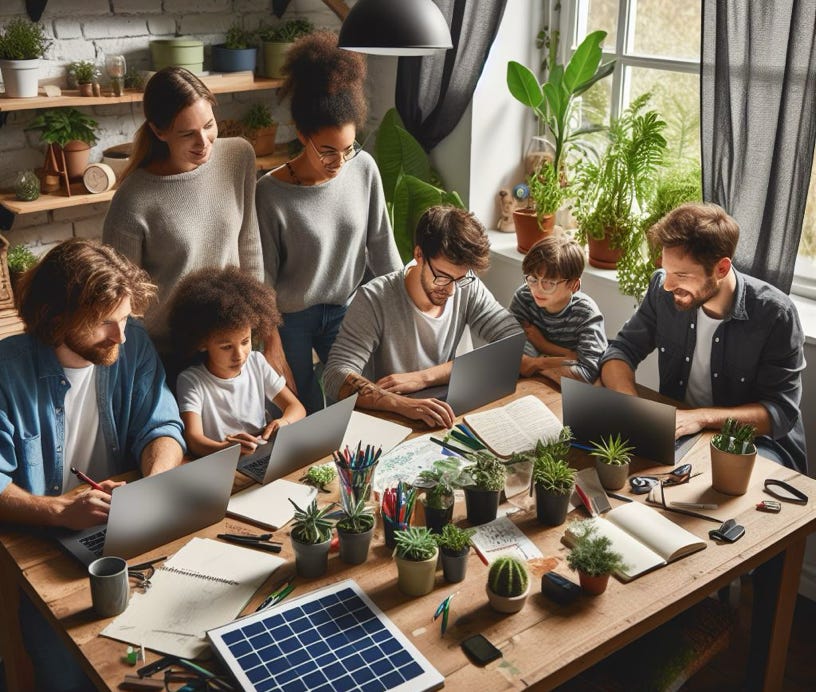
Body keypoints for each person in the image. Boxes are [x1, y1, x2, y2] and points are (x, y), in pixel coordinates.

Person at [0, 238, 185, 692]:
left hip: (126, 524)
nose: (121, 336)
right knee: (63, 674)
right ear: (57, 318)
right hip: (41, 546)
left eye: (124, 319)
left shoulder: (133, 344)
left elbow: (163, 425)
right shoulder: (6, 370)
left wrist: (153, 486)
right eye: (105, 323)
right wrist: (62, 511)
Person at [101, 67, 280, 385]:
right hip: (168, 356)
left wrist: (265, 335)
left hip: (230, 343)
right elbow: (122, 298)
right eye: (187, 134)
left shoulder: (238, 156)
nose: (203, 142)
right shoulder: (133, 199)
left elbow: (249, 247)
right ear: (159, 131)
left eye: (209, 125)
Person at [600, 202, 806, 473]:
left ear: (721, 269)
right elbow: (621, 351)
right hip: (682, 432)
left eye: (681, 275)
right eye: (667, 270)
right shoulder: (663, 291)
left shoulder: (776, 314)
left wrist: (700, 418)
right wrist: (631, 406)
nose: (668, 284)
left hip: (755, 444)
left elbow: (779, 412)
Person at [256, 31, 402, 414]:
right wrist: (270, 343)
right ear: (303, 136)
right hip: (291, 321)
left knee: (363, 405)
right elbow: (263, 281)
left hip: (346, 309)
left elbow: (385, 253)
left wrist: (406, 313)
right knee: (303, 415)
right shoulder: (270, 193)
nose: (340, 162)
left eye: (349, 148)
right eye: (327, 152)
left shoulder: (364, 169)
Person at [323, 205, 524, 428]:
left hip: (444, 412)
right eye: (442, 277)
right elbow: (335, 376)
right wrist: (403, 405)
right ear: (419, 255)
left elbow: (512, 342)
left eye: (460, 279)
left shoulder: (467, 286)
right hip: (389, 420)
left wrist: (423, 377)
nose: (451, 290)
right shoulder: (374, 299)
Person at [166, 266, 306, 458]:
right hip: (220, 461)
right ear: (202, 343)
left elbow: (297, 408)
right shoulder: (191, 380)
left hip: (261, 453)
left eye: (245, 342)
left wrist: (283, 423)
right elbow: (194, 440)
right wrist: (228, 450)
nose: (239, 355)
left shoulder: (257, 362)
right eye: (226, 347)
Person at [511, 234, 607, 384]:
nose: (537, 289)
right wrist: (568, 356)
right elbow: (513, 355)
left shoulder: (586, 314)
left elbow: (587, 373)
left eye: (549, 283)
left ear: (574, 285)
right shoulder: (524, 297)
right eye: (533, 279)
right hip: (534, 384)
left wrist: (538, 361)